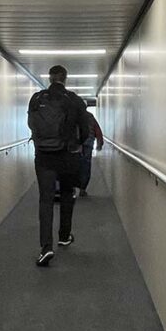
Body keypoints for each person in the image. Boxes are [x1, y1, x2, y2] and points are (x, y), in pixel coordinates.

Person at [27, 65, 89, 267]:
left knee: (45, 200)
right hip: (68, 156)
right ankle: (64, 235)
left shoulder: (37, 99)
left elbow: (31, 125)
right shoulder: (74, 100)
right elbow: (85, 131)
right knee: (66, 194)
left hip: (43, 157)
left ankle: (46, 247)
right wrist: (77, 145)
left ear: (50, 78)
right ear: (65, 78)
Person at [77, 106, 104, 197]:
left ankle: (71, 187)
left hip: (77, 144)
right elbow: (97, 129)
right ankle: (82, 189)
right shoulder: (90, 116)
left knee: (74, 164)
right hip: (88, 142)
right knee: (86, 165)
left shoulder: (74, 115)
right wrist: (100, 142)